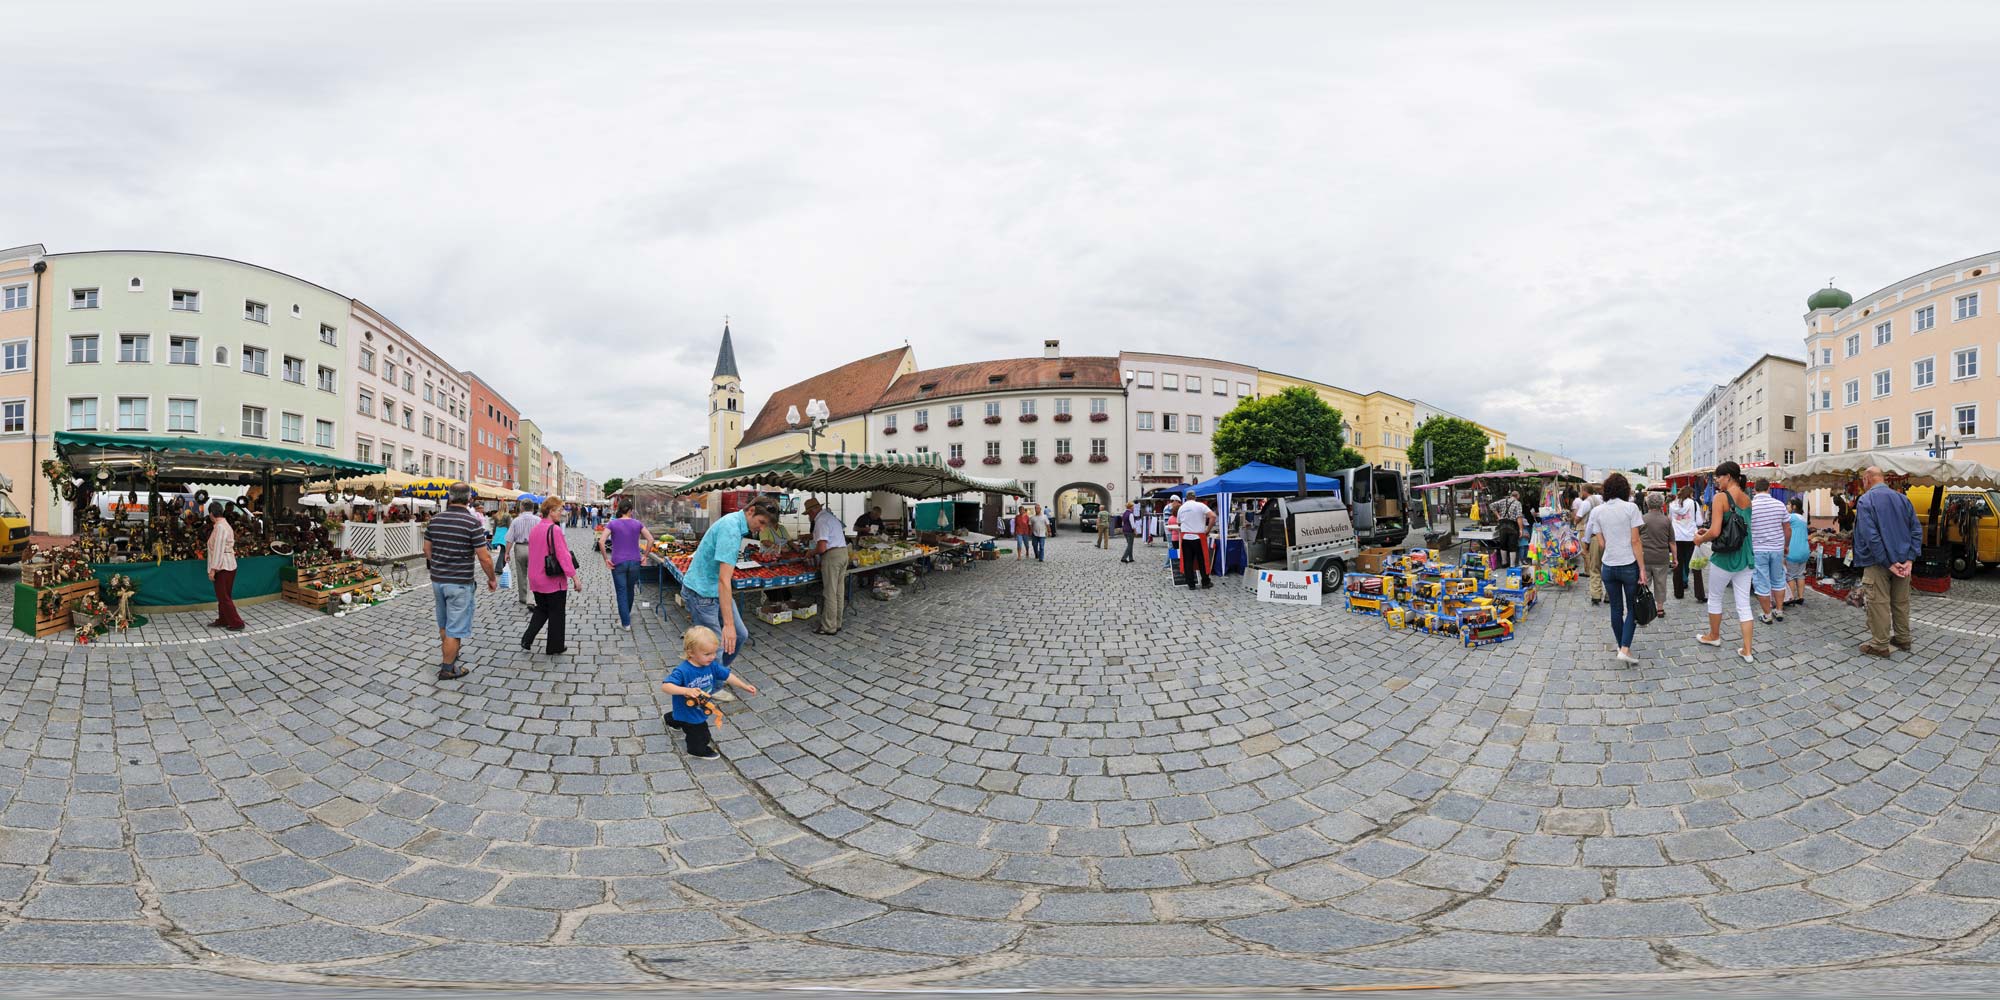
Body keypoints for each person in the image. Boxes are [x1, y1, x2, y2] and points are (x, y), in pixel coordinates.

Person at [681, 496, 779, 681]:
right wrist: (728, 624)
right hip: (702, 593)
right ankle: (712, 686)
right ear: (751, 511)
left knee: (740, 635)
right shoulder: (731, 528)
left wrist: (731, 626)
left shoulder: (736, 525)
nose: (762, 529)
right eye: (761, 522)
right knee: (713, 646)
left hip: (713, 591)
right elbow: (724, 580)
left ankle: (716, 673)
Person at [425, 482, 499, 681]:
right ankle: (448, 668)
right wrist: (492, 578)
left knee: (444, 622)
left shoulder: (435, 520)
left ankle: (451, 652)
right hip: (459, 581)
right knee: (455, 627)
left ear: (449, 497)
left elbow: (427, 549)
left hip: (438, 580)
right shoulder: (472, 523)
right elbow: (484, 557)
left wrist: (439, 564)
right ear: (469, 499)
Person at [661, 625, 759, 759]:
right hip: (690, 709)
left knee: (679, 717)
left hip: (699, 705)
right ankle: (697, 750)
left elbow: (727, 675)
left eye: (714, 652)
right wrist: (686, 690)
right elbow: (666, 686)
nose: (713, 657)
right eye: (707, 654)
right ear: (691, 653)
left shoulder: (711, 665)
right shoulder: (683, 670)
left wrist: (744, 686)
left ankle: (670, 719)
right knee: (701, 734)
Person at [1694, 461, 1758, 664]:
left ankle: (1714, 636)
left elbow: (1715, 531)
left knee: (1715, 597)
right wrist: (1711, 532)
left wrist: (1700, 539)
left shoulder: (1720, 497)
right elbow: (1736, 526)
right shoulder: (1748, 499)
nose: (1717, 482)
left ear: (1728, 477)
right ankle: (1747, 650)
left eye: (1718, 478)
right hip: (1745, 556)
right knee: (1743, 604)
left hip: (1724, 558)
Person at [1854, 466, 1921, 656]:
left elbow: (1870, 536)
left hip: (1878, 563)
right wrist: (1909, 559)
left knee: (1879, 602)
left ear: (1867, 479)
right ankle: (1903, 638)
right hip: (1902, 561)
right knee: (1901, 602)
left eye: (1863, 480)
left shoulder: (1866, 500)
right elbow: (1916, 530)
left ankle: (1880, 644)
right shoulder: (1903, 499)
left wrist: (1888, 562)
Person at [1594, 473, 1646, 662]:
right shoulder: (1631, 508)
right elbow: (1635, 540)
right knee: (1632, 607)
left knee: (1616, 608)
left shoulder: (1597, 511)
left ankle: (1621, 646)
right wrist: (1642, 568)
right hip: (1628, 565)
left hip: (1609, 565)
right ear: (1625, 490)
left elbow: (1601, 544)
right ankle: (1624, 648)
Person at [523, 496, 582, 654]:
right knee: (556, 613)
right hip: (551, 579)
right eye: (558, 510)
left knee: (542, 609)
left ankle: (527, 639)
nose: (561, 513)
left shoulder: (535, 528)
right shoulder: (554, 529)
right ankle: (555, 646)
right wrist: (574, 577)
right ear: (550, 511)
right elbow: (563, 556)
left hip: (535, 577)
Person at [599, 501, 654, 631]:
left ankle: (625, 623)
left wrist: (606, 559)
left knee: (621, 592)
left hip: (618, 562)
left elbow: (601, 542)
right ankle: (626, 616)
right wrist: (645, 555)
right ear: (630, 510)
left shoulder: (613, 523)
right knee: (630, 590)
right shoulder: (637, 523)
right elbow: (650, 539)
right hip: (635, 561)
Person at [804, 497, 848, 636]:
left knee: (829, 592)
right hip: (843, 553)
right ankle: (837, 622)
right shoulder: (830, 517)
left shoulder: (820, 521)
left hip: (832, 557)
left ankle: (828, 626)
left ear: (812, 511)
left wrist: (811, 552)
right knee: (839, 591)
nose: (809, 517)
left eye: (808, 514)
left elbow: (822, 547)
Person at [205, 501, 245, 631]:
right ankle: (223, 619)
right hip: (227, 565)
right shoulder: (223, 525)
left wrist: (213, 569)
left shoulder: (220, 527)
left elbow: (218, 549)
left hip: (223, 567)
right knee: (224, 596)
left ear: (211, 514)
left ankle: (237, 623)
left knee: (223, 596)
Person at [1638, 492, 1674, 624]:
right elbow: (1672, 542)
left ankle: (1643, 607)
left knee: (1644, 582)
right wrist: (1675, 558)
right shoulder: (1666, 520)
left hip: (1644, 556)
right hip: (1661, 557)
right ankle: (1660, 609)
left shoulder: (1642, 518)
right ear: (1662, 504)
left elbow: (1635, 539)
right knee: (1661, 583)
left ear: (1647, 504)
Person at [505, 499, 542, 608]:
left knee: (521, 573)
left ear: (521, 507)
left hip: (520, 547)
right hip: (534, 548)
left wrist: (506, 553)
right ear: (532, 508)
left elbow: (509, 538)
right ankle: (531, 598)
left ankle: (523, 597)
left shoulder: (516, 520)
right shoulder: (538, 520)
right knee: (533, 573)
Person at [1176, 494, 1214, 590]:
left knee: (1188, 561)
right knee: (1202, 560)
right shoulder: (1200, 505)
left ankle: (1191, 584)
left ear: (1186, 497)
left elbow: (1179, 523)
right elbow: (1213, 516)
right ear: (1195, 497)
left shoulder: (1181, 508)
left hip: (1186, 537)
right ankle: (1205, 582)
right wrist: (1208, 530)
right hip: (1198, 536)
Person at [1668, 486, 1699, 600]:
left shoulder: (1672, 504)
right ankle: (1698, 593)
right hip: (1691, 536)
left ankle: (1678, 592)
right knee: (1693, 563)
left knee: (1677, 563)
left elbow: (1670, 520)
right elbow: (1699, 521)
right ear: (1690, 493)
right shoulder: (1694, 504)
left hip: (1676, 537)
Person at [1785, 495, 1810, 608]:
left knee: (1790, 576)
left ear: (1794, 506)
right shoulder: (1803, 518)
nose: (1787, 506)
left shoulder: (1791, 517)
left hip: (1793, 551)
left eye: (1789, 504)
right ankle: (1800, 597)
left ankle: (1791, 598)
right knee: (1800, 575)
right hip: (1804, 551)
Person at [1488, 489, 1521, 569]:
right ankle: (1512, 565)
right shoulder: (1517, 503)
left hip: (1502, 526)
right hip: (1512, 526)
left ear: (1511, 496)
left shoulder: (1503, 501)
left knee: (1503, 544)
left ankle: (1504, 563)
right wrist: (1521, 529)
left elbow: (1491, 505)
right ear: (1517, 496)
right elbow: (1519, 517)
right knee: (1512, 545)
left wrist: (1498, 516)